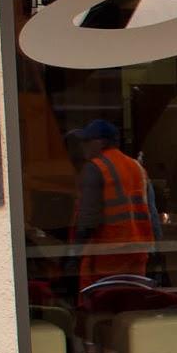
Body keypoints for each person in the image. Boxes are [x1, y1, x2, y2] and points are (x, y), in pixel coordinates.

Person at [69, 120, 158, 289]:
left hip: (107, 254)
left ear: (101, 142)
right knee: (131, 301)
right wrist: (156, 251)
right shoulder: (136, 167)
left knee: (100, 304)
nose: (83, 146)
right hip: (137, 252)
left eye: (87, 141)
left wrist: (73, 255)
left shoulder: (96, 167)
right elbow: (151, 213)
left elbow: (88, 218)